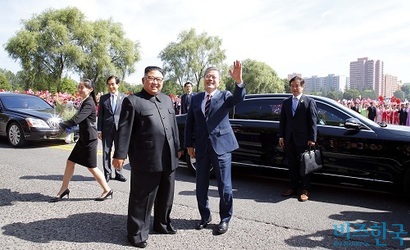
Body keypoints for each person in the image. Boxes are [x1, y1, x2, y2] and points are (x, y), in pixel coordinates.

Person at [112, 66, 182, 248]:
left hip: (169, 156)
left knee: (166, 194)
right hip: (146, 158)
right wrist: (120, 154)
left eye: (159, 79)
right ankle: (136, 234)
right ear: (144, 80)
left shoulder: (167, 100)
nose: (155, 82)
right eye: (151, 78)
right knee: (142, 198)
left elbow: (173, 126)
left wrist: (178, 147)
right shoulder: (133, 101)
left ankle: (162, 224)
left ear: (163, 82)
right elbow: (124, 130)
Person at [184, 60, 246, 235]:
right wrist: (189, 144)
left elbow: (238, 98)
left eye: (214, 77)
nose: (210, 79)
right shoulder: (196, 98)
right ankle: (205, 216)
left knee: (224, 186)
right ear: (204, 80)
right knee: (200, 184)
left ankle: (225, 219)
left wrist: (239, 82)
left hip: (222, 147)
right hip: (201, 147)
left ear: (218, 81)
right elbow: (190, 123)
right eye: (208, 76)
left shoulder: (225, 96)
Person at [51, 79, 112, 202]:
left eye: (82, 87)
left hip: (89, 140)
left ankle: (107, 190)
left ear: (90, 89)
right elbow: (76, 118)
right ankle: (64, 189)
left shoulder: (89, 103)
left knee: (92, 167)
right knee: (70, 162)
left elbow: (77, 120)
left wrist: (62, 125)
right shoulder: (85, 102)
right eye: (78, 87)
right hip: (84, 138)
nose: (79, 90)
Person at [278, 76, 318, 202]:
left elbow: (313, 122)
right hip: (289, 139)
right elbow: (282, 121)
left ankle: (305, 189)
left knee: (305, 165)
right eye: (292, 86)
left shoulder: (309, 101)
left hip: (304, 139)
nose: (294, 88)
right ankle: (293, 187)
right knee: (292, 164)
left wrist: (312, 138)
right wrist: (281, 136)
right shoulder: (286, 102)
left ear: (302, 87)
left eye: (297, 86)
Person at [97, 75, 127, 183]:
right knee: (106, 151)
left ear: (118, 85)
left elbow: (126, 116)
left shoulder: (124, 98)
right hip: (106, 128)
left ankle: (119, 173)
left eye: (113, 84)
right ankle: (107, 173)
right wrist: (99, 130)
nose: (111, 86)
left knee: (119, 151)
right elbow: (100, 115)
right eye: (109, 84)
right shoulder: (103, 98)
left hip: (120, 129)